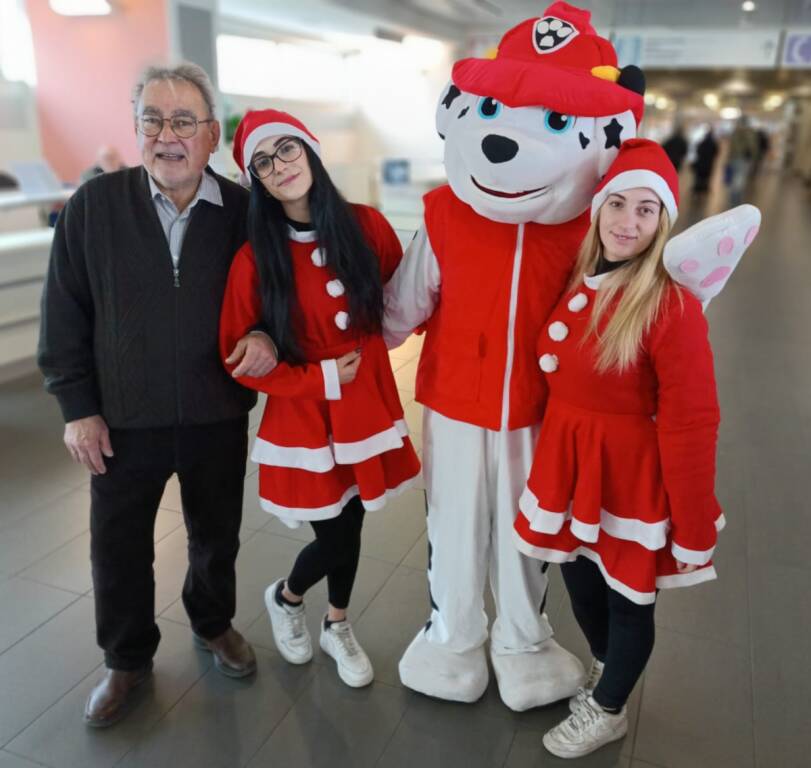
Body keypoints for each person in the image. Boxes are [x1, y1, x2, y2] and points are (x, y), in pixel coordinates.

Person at [37, 63, 277, 728]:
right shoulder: (94, 206)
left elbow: (273, 298)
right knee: (117, 544)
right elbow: (64, 311)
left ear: (209, 135)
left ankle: (212, 622)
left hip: (215, 413)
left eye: (183, 121)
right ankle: (127, 658)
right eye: (153, 119)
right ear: (137, 128)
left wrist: (265, 335)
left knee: (215, 536)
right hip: (121, 419)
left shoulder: (241, 211)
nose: (166, 135)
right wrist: (77, 406)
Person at [513, 139, 723, 758]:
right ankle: (609, 674)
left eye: (646, 210)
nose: (627, 223)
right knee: (579, 579)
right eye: (618, 205)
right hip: (570, 466)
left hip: (630, 476)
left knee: (628, 596)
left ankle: (608, 709)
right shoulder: (585, 276)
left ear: (663, 224)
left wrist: (692, 524)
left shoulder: (670, 304)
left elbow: (693, 421)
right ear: (598, 209)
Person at [219, 110, 421, 688]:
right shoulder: (256, 258)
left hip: (367, 411)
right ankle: (287, 597)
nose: (279, 166)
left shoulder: (366, 225)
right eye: (263, 161)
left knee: (352, 520)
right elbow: (236, 361)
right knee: (333, 530)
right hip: (305, 419)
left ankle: (336, 622)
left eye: (286, 150)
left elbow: (402, 300)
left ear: (309, 150)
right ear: (255, 178)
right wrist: (319, 378)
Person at [726, 116, 758, 205]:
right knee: (738, 181)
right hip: (742, 159)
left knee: (737, 181)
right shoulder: (748, 133)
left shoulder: (736, 132)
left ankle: (735, 201)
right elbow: (751, 147)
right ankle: (735, 202)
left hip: (738, 159)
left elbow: (732, 147)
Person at [691, 127, 718, 193]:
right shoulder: (713, 144)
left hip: (701, 163)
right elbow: (716, 153)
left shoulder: (702, 142)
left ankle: (697, 189)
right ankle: (704, 189)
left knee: (698, 177)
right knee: (705, 178)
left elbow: (698, 151)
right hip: (708, 164)